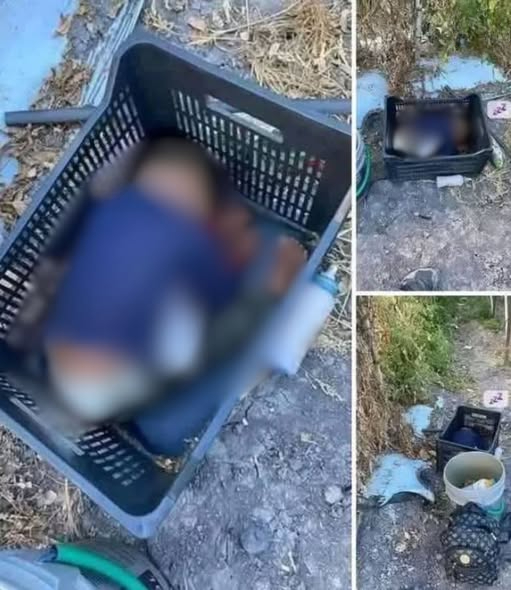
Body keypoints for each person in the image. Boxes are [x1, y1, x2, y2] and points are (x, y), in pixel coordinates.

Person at [39, 136, 306, 425]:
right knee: (214, 328)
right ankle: (275, 289)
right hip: (105, 388)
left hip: (60, 359)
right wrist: (254, 267)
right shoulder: (188, 240)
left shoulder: (117, 206)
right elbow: (222, 296)